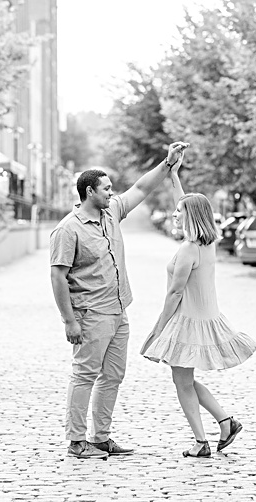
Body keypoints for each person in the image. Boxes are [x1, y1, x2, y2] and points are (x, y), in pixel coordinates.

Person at [50, 141, 189, 460]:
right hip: (89, 314)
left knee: (112, 376)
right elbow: (57, 277)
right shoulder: (67, 230)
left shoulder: (111, 211)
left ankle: (100, 438)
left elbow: (141, 187)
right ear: (88, 192)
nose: (112, 193)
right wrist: (69, 320)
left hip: (118, 310)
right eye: (106, 189)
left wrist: (168, 164)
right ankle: (76, 440)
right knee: (84, 374)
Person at [140, 155, 256, 458]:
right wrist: (174, 175)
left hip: (187, 320)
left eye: (180, 212)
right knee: (185, 379)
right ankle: (225, 422)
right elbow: (189, 203)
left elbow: (174, 295)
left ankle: (201, 441)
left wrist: (156, 332)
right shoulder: (207, 242)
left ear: (190, 217)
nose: (175, 214)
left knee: (182, 383)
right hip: (203, 317)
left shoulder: (189, 249)